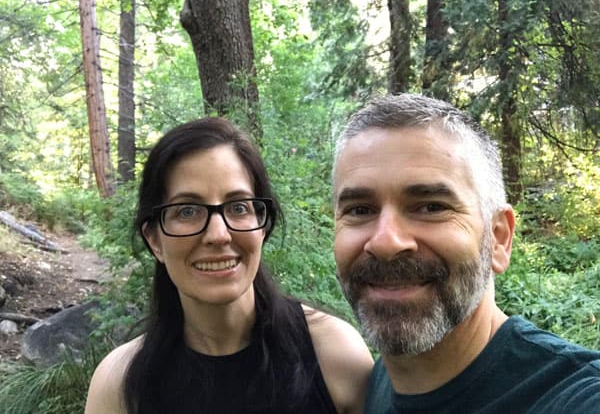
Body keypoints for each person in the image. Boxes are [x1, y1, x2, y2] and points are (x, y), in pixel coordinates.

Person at [332, 93, 600, 413]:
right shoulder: (376, 384)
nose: (386, 242)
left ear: (498, 238)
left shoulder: (572, 397)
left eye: (432, 207)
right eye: (360, 210)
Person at [85, 117, 373, 414]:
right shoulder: (119, 387)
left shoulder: (335, 356)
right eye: (187, 211)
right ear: (154, 239)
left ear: (262, 227)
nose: (218, 235)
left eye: (238, 207)